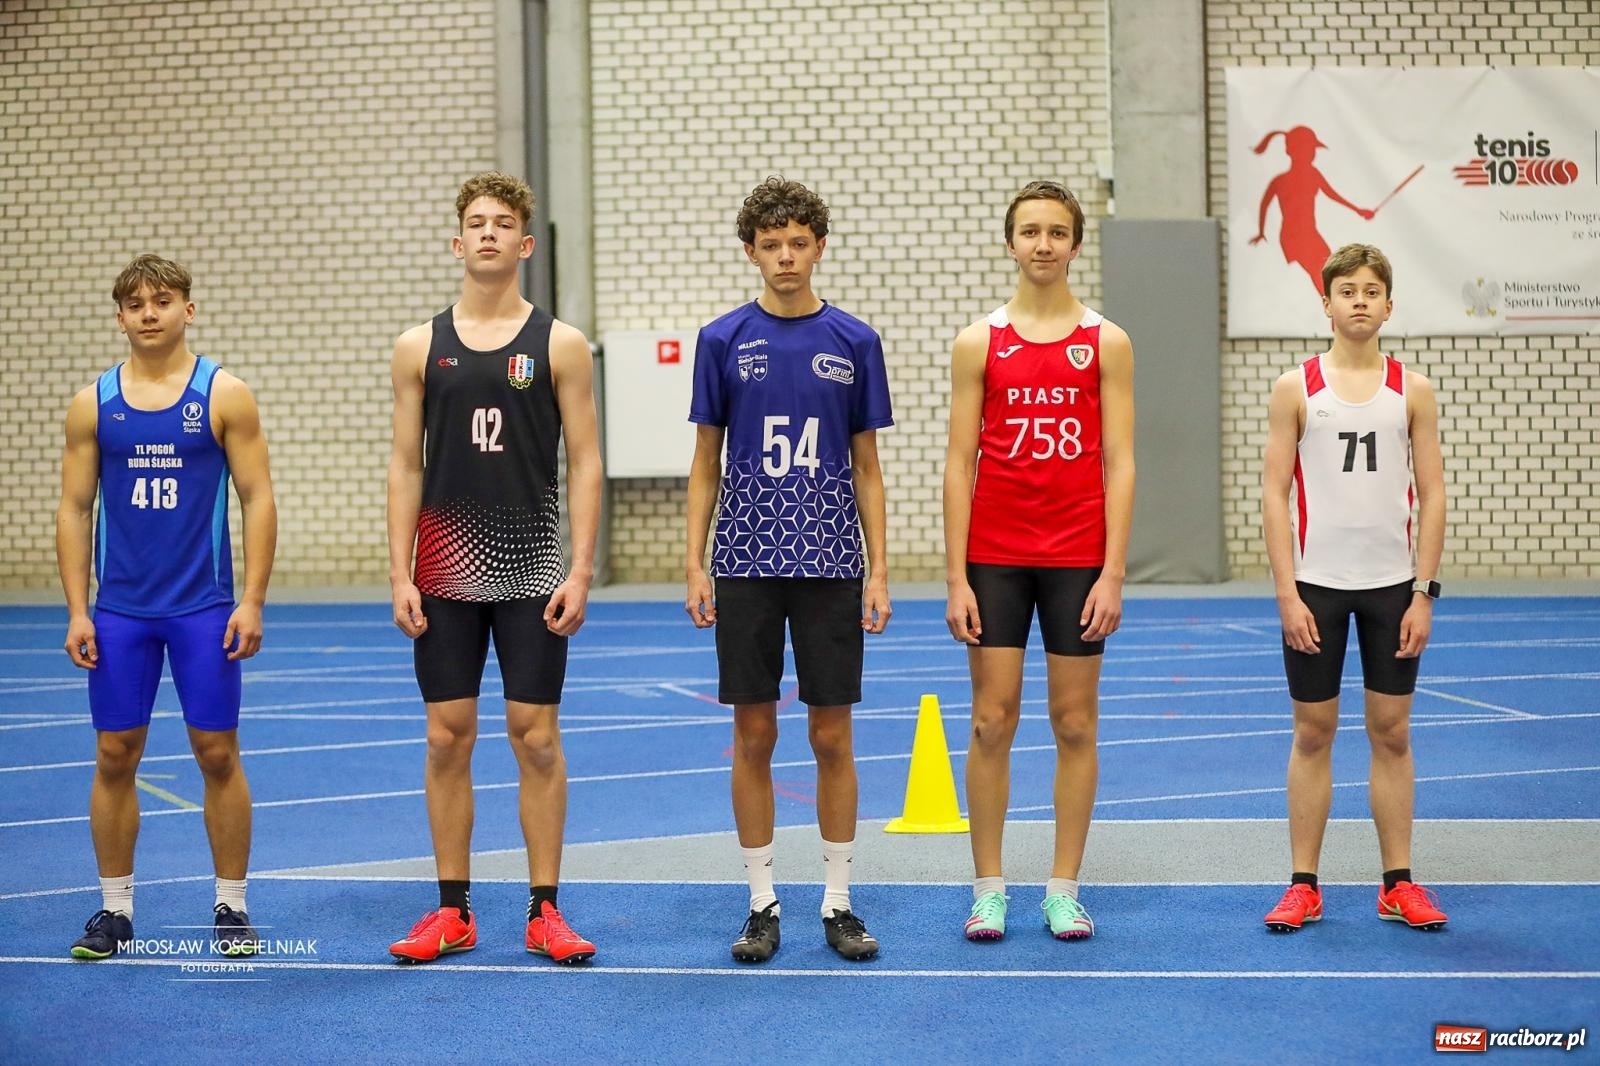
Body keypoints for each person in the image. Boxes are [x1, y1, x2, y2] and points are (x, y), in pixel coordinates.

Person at [386, 172, 602, 965]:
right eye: (474, 222)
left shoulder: (559, 343)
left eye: (501, 223)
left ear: (524, 244)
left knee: (534, 735)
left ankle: (545, 909)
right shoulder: (419, 346)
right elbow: (406, 465)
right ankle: (452, 911)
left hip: (533, 567)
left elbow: (584, 461)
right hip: (442, 567)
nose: (487, 234)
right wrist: (400, 570)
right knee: (448, 736)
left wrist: (579, 570)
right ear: (456, 241)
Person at [685, 176, 893, 964]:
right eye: (769, 244)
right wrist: (695, 562)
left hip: (832, 560)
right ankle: (761, 901)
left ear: (819, 247)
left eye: (797, 242)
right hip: (744, 561)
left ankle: (838, 901)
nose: (784, 257)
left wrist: (878, 570)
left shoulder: (855, 342)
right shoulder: (722, 340)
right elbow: (705, 461)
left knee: (832, 733)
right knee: (754, 731)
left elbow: (867, 468)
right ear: (750, 251)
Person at [57, 254, 278, 959]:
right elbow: (73, 506)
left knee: (217, 752)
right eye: (135, 303)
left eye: (163, 299)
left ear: (189, 309)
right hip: (120, 611)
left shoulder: (224, 395)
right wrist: (76, 609)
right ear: (119, 317)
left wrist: (251, 599)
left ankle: (232, 907)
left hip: (203, 608)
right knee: (115, 753)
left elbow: (258, 498)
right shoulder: (94, 403)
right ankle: (114, 911)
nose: (149, 312)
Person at [943, 181, 1135, 943]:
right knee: (992, 720)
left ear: (1076, 244)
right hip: (995, 556)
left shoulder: (1106, 341)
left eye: (1058, 232)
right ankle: (989, 888)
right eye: (1031, 231)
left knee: (1074, 722)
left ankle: (1063, 887)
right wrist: (956, 575)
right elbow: (960, 461)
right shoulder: (977, 341)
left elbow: (1120, 459)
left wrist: (1114, 570)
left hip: (1078, 557)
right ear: (1011, 242)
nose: (1044, 244)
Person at [1261, 243, 1447, 933]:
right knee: (1313, 731)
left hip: (1391, 589)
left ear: (1389, 306)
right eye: (1348, 291)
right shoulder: (1296, 388)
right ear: (1328, 304)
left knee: (1392, 732)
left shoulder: (1414, 389)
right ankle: (1303, 884)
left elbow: (1432, 493)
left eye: (1372, 290)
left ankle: (1398, 882)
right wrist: (1287, 593)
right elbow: (1274, 494)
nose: (1360, 300)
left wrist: (1423, 592)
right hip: (1317, 588)